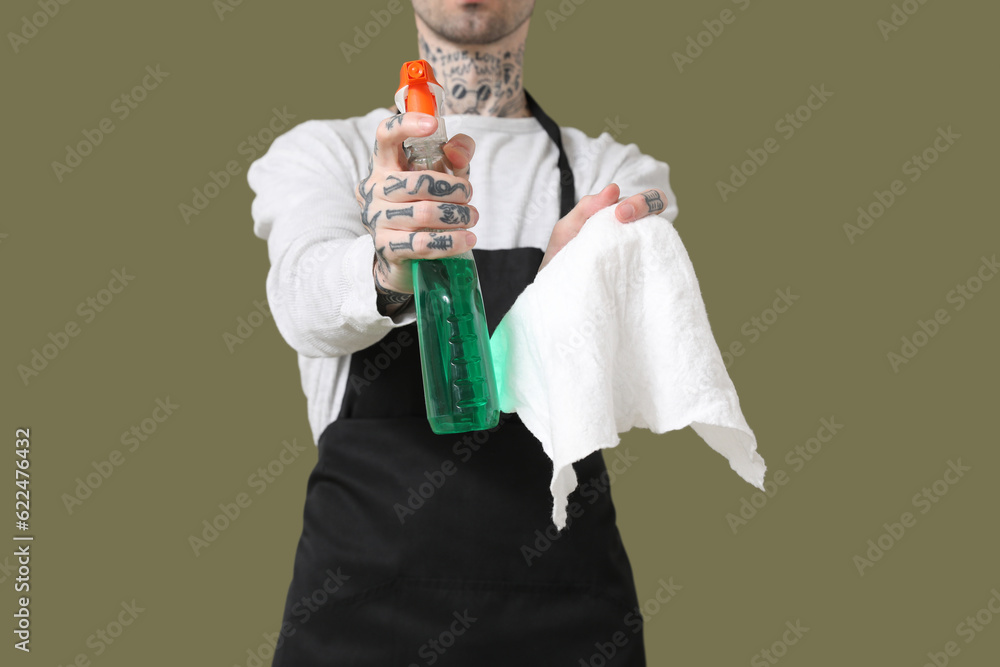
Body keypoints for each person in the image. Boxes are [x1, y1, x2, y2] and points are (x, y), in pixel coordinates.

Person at [247, 1, 678, 664]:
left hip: (567, 616)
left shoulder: (613, 174)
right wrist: (390, 264)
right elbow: (303, 305)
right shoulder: (325, 153)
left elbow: (638, 374)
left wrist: (568, 295)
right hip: (361, 610)